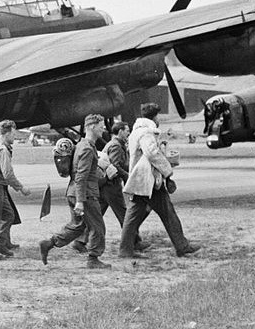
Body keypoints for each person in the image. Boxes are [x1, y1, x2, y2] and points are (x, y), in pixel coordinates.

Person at [119, 103, 201, 258]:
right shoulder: (146, 133)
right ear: (154, 117)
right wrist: (167, 170)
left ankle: (126, 249)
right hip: (148, 181)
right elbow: (151, 153)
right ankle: (181, 246)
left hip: (143, 182)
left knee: (136, 216)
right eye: (158, 116)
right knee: (166, 213)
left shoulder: (137, 132)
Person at [39, 114, 111, 269]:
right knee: (98, 227)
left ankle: (49, 243)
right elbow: (81, 176)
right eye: (101, 125)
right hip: (85, 194)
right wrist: (80, 201)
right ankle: (93, 259)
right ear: (91, 126)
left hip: (74, 192)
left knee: (78, 226)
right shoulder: (86, 148)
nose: (103, 128)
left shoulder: (82, 145)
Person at [72, 122, 148, 253]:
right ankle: (134, 242)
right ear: (119, 132)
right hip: (111, 186)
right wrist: (127, 177)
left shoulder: (115, 144)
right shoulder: (116, 146)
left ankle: (79, 241)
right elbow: (115, 165)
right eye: (126, 130)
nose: (128, 133)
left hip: (104, 185)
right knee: (124, 215)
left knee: (96, 215)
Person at [0, 120, 31, 260]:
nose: (15, 137)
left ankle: (0, 244)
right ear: (7, 133)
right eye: (13, 134)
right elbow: (8, 174)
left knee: (8, 215)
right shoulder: (2, 150)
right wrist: (21, 188)